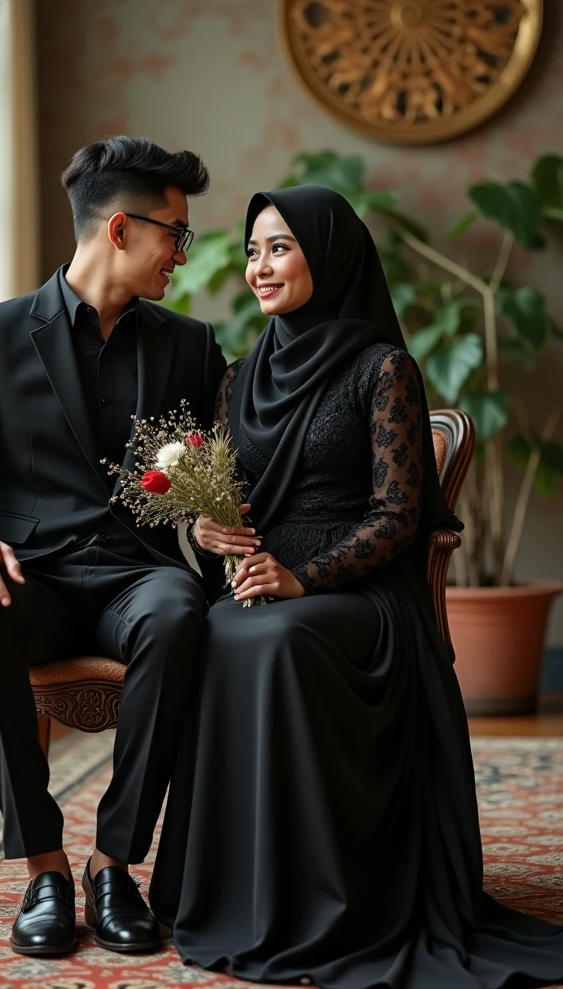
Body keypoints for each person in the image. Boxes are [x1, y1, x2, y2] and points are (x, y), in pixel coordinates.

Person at [149, 186, 563, 988]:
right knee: (214, 627)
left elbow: (399, 516)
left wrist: (304, 578)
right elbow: (230, 497)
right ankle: (242, 893)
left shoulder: (384, 369)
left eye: (278, 248)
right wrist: (207, 531)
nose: (257, 267)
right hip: (265, 579)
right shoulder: (240, 378)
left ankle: (325, 898)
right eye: (250, 250)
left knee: (274, 637)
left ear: (329, 255)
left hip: (360, 592)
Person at [0, 136, 230, 957]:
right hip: (34, 579)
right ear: (121, 229)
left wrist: (211, 516)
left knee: (178, 609)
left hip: (138, 581)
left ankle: (113, 862)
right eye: (175, 234)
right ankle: (44, 870)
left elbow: (219, 470)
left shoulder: (190, 345)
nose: (181, 255)